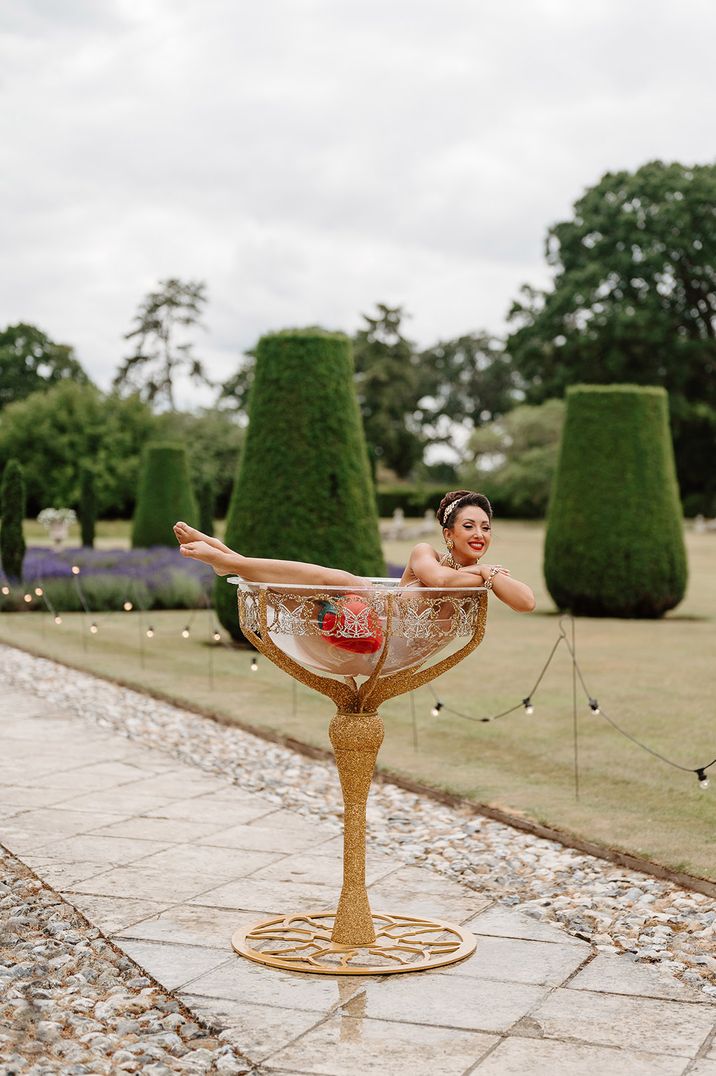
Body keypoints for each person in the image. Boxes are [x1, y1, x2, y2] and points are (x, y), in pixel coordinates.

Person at [173, 489, 535, 614]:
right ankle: (226, 560)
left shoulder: (479, 574)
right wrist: (484, 573)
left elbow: (526, 602)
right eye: (469, 526)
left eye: (485, 527)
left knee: (288, 589)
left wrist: (486, 573)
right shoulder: (426, 552)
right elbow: (440, 580)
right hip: (372, 607)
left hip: (391, 642)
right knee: (335, 579)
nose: (479, 534)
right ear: (449, 534)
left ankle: (226, 558)